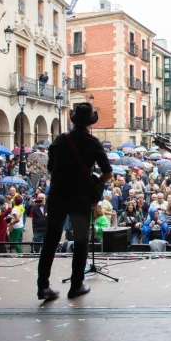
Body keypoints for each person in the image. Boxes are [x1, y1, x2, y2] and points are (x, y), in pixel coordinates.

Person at [36, 103, 112, 301]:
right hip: (80, 197)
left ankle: (42, 286)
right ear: (90, 122)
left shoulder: (60, 140)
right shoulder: (93, 143)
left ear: (74, 119)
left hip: (58, 194)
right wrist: (95, 179)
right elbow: (108, 173)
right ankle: (76, 285)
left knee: (51, 241)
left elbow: (51, 169)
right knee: (80, 241)